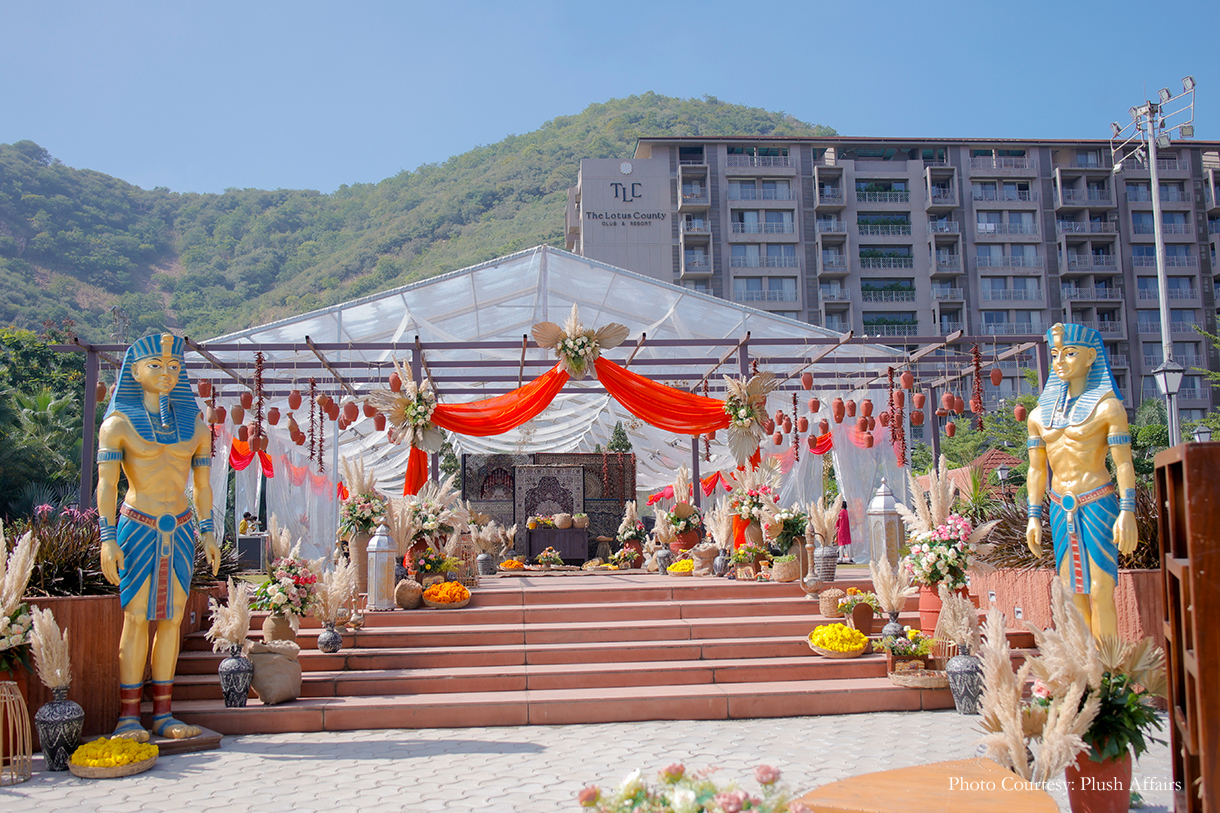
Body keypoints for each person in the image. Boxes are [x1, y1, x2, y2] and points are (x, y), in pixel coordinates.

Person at [96, 333, 220, 741]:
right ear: (134, 372)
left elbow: (202, 486)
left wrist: (208, 531)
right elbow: (107, 484)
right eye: (155, 366)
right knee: (136, 618)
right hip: (137, 525)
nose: (166, 373)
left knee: (172, 619)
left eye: (173, 367)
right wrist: (107, 537)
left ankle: (163, 714)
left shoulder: (196, 427)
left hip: (181, 527)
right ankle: (129, 717)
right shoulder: (117, 425)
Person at [1026, 323, 1136, 640]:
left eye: (1070, 353)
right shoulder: (1038, 416)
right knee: (1071, 592)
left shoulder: (1108, 408)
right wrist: (1033, 515)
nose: (1060, 361)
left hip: (1097, 501)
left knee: (1101, 590)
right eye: (1055, 354)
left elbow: (1123, 462)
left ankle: (1108, 665)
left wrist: (1127, 511)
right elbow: (1037, 470)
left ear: (1090, 357)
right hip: (1060, 506)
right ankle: (1083, 664)